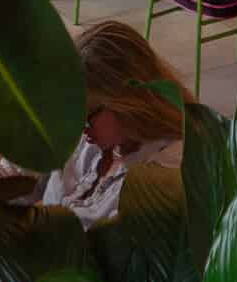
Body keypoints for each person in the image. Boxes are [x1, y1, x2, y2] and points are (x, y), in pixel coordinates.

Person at [36, 21, 193, 228]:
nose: (78, 128)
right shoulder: (101, 134)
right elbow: (23, 169)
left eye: (87, 115)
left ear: (127, 102)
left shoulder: (163, 176)